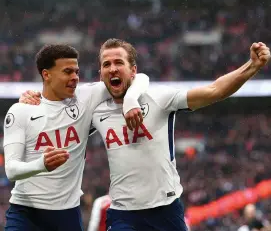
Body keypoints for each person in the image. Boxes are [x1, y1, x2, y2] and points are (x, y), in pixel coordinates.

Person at [20, 39, 271, 231]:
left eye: (119, 62)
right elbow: (55, 115)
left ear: (133, 71)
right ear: (100, 74)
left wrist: (252, 66)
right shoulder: (94, 109)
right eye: (106, 64)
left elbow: (215, 90)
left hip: (167, 209)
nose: (112, 68)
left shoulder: (159, 98)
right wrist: (33, 100)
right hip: (123, 214)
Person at [3, 44, 149, 231]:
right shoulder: (21, 111)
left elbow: (140, 78)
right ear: (46, 75)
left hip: (68, 215)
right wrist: (41, 165)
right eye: (67, 72)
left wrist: (130, 99)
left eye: (76, 72)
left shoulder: (87, 97)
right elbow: (11, 170)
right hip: (26, 213)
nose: (75, 78)